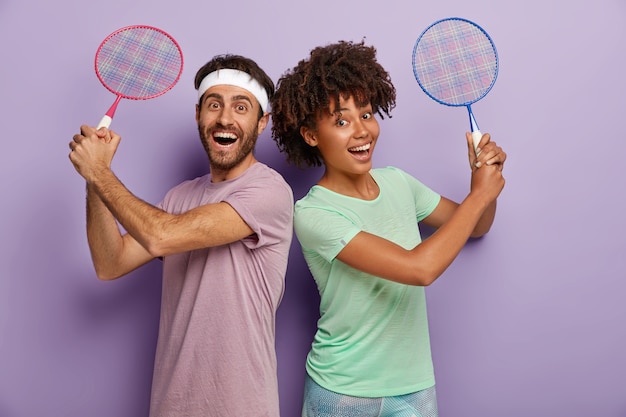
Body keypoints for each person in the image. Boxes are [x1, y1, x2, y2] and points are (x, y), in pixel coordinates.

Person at [270, 40, 506, 417]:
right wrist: (479, 195)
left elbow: (476, 226)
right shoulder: (313, 213)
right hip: (343, 392)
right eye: (341, 121)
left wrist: (482, 180)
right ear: (311, 135)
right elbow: (419, 269)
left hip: (414, 386)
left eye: (366, 114)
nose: (362, 131)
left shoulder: (399, 183)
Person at [69, 54, 294, 417]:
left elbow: (161, 237)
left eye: (241, 107)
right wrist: (97, 179)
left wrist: (99, 172)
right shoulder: (179, 197)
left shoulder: (269, 191)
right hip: (171, 405)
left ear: (261, 121)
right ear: (198, 114)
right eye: (214, 104)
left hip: (240, 406)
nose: (225, 118)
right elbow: (110, 264)